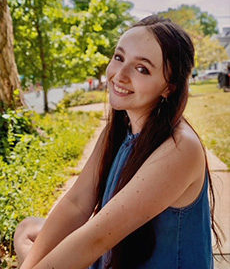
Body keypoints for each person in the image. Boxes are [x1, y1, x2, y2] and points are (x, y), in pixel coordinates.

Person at [14, 15, 223, 269]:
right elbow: (77, 203)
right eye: (119, 58)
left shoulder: (180, 148)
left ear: (169, 87)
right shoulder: (119, 130)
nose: (119, 75)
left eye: (142, 68)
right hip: (111, 255)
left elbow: (97, 238)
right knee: (27, 230)